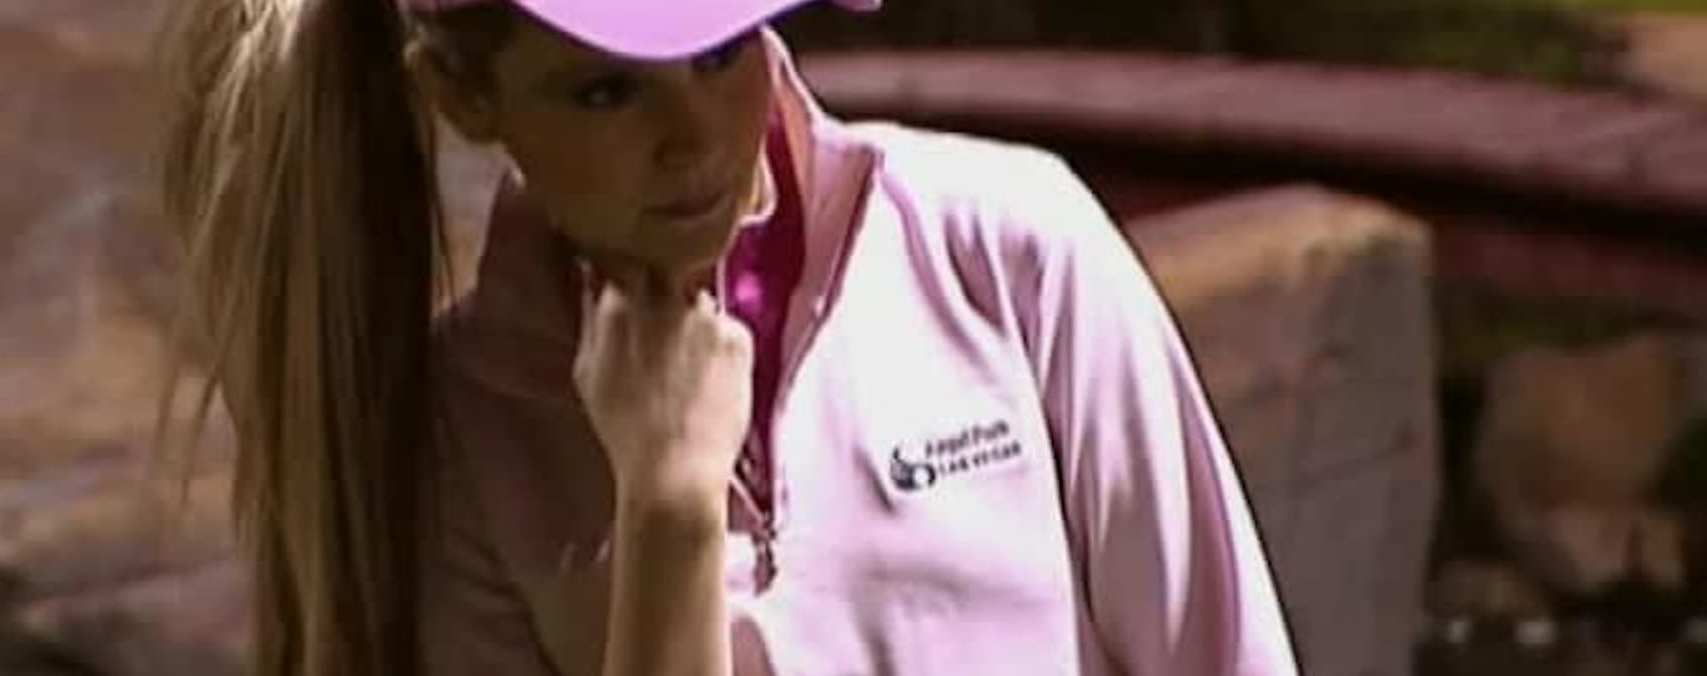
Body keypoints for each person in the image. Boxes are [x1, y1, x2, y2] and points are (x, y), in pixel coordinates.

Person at [154, 0, 1300, 674]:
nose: (694, 136)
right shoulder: (463, 439)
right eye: (605, 91)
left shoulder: (1008, 250)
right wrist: (666, 507)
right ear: (467, 98)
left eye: (723, 50)